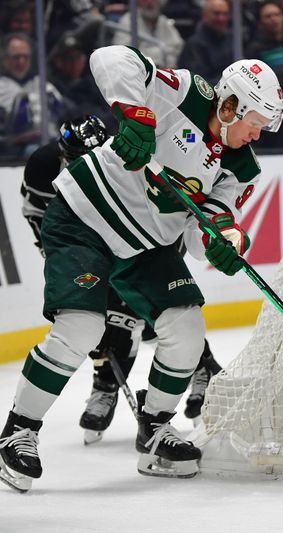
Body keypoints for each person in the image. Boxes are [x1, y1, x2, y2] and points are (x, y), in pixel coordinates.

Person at [0, 44, 283, 491]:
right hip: (85, 217)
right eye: (255, 124)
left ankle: (155, 430)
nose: (257, 135)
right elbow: (109, 57)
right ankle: (19, 429)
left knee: (188, 330)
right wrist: (135, 114)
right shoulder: (187, 93)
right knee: (81, 328)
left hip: (147, 246)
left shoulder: (242, 168)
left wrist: (224, 241)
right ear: (231, 106)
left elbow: (202, 229)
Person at [20, 114, 224, 445]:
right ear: (62, 153)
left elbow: (155, 221)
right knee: (93, 318)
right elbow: (36, 214)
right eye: (74, 159)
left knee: (157, 311)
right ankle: (106, 384)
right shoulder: (43, 166)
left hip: (145, 240)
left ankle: (200, 367)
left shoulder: (122, 158)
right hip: (85, 240)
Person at [177, 0, 235, 85]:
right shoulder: (194, 45)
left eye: (225, 14)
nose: (221, 18)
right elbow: (199, 81)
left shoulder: (231, 40)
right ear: (205, 15)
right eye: (216, 13)